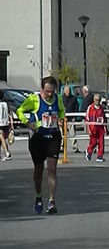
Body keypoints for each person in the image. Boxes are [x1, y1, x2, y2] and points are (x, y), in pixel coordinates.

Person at [16, 75, 65, 214]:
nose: (50, 94)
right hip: (38, 137)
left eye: (52, 92)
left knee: (51, 168)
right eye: (47, 91)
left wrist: (61, 119)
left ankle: (51, 201)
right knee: (38, 169)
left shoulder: (58, 99)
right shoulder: (34, 99)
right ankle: (38, 196)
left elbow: (61, 110)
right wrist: (28, 123)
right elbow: (19, 110)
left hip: (53, 137)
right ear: (41, 89)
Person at [85, 93, 107, 162]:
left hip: (100, 128)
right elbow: (87, 119)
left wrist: (106, 128)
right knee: (93, 142)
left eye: (98, 100)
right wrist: (88, 128)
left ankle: (100, 156)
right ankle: (89, 151)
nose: (97, 101)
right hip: (93, 127)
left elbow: (104, 118)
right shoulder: (90, 108)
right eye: (96, 100)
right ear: (93, 100)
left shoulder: (101, 108)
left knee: (101, 142)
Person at [62, 85, 80, 153]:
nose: (68, 92)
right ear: (64, 91)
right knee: (62, 134)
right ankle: (62, 147)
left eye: (69, 90)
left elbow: (76, 107)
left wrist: (74, 117)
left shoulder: (73, 98)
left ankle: (75, 147)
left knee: (73, 133)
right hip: (62, 119)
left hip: (71, 118)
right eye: (67, 90)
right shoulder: (61, 98)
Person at [0, 89, 13, 161]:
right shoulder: (5, 103)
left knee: (1, 137)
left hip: (0, 122)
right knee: (1, 138)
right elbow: (10, 113)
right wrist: (11, 124)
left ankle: (7, 152)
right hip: (5, 122)